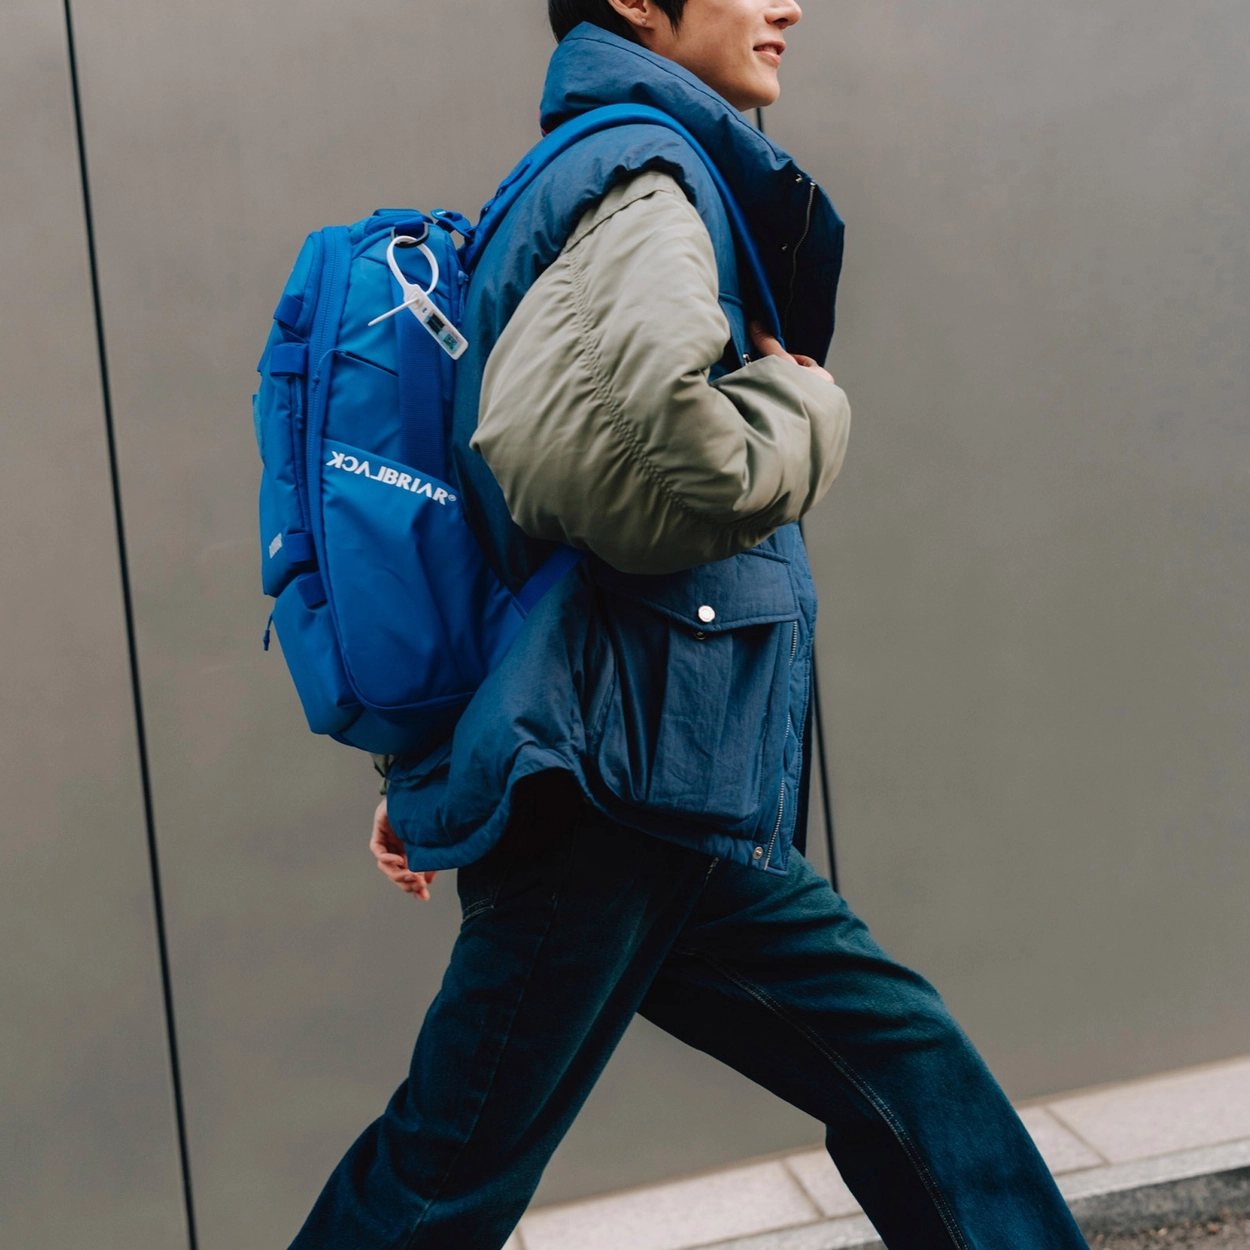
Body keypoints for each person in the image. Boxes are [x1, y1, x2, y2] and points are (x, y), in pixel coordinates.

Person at [289, 3, 1092, 1248]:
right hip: (611, 788)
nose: (785, 5)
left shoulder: (603, 174)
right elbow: (641, 462)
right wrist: (804, 403)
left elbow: (506, 520)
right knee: (442, 1171)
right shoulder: (645, 177)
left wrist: (438, 764)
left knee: (900, 1056)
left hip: (649, 771)